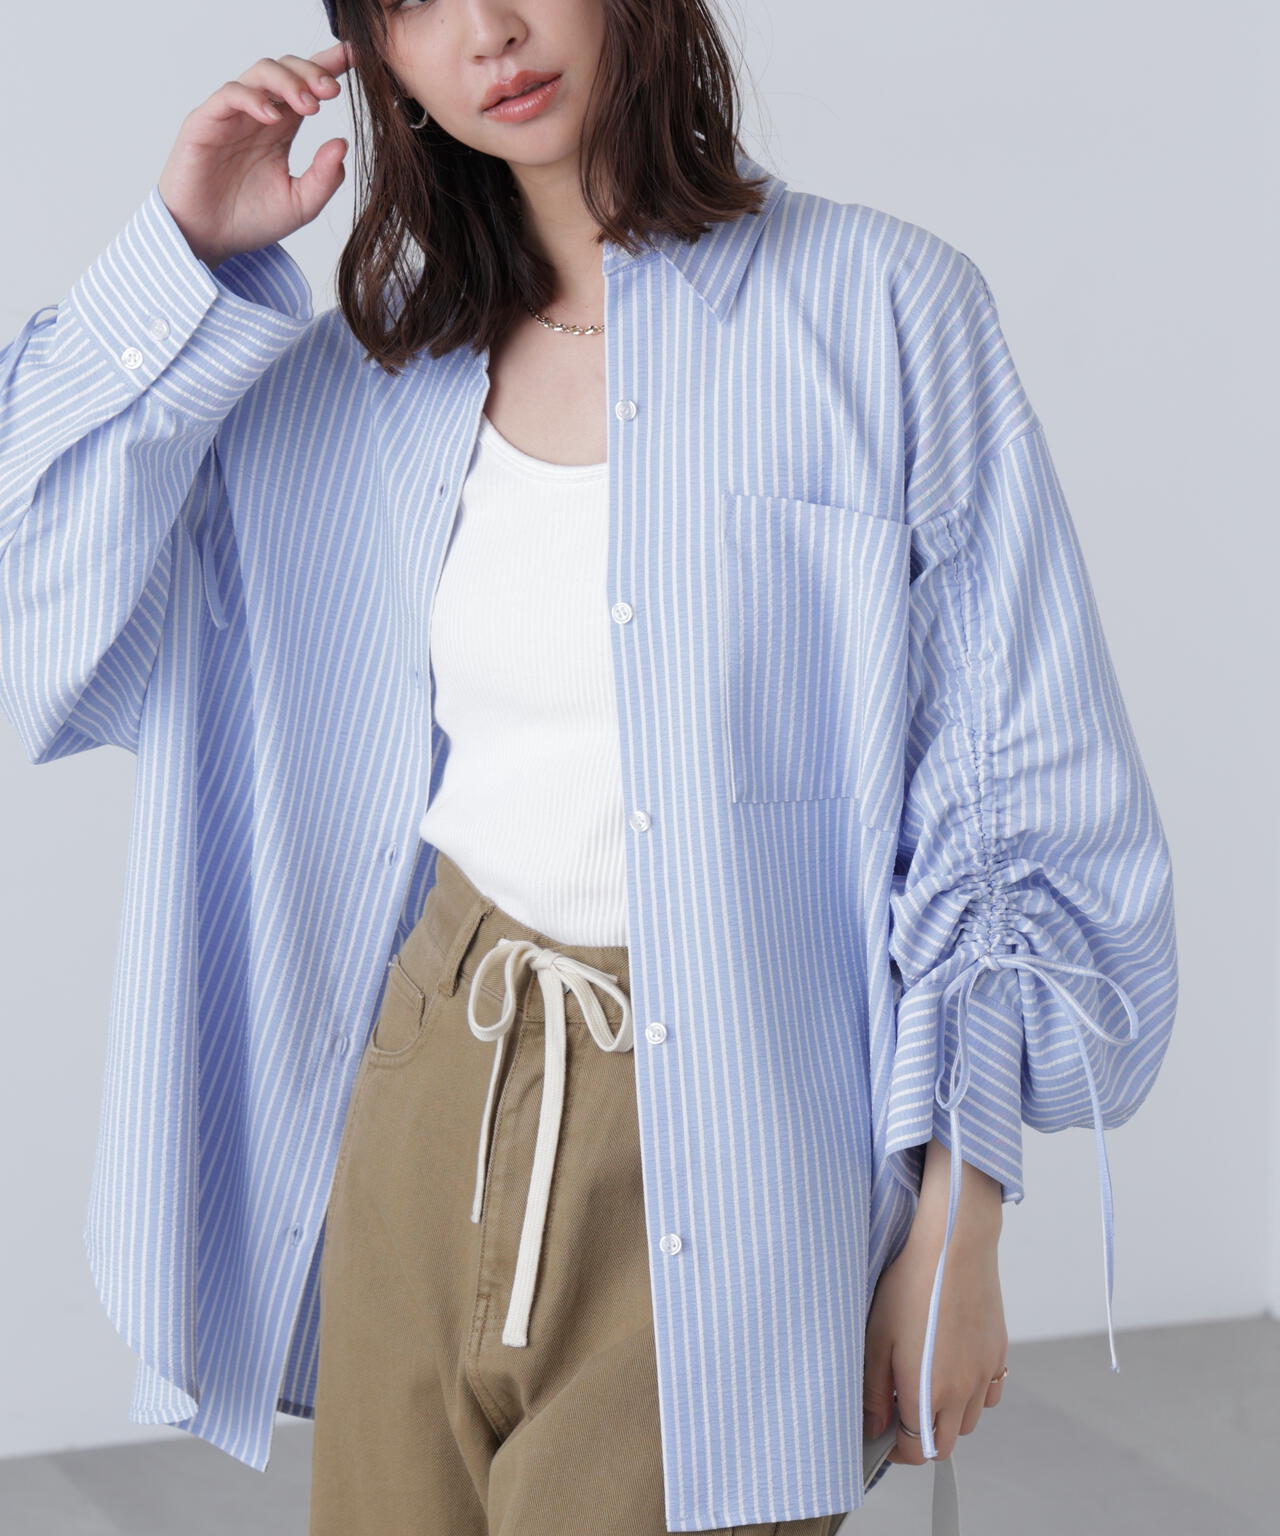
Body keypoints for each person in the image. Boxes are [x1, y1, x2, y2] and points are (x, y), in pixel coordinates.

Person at [0, 1, 1178, 1533]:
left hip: (743, 1134)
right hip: (429, 1083)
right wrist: (180, 257)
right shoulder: (367, 373)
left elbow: (1016, 801)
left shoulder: (889, 313)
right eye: (418, 2)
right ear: (377, 52)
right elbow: (40, 609)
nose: (490, 31)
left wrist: (961, 1222)